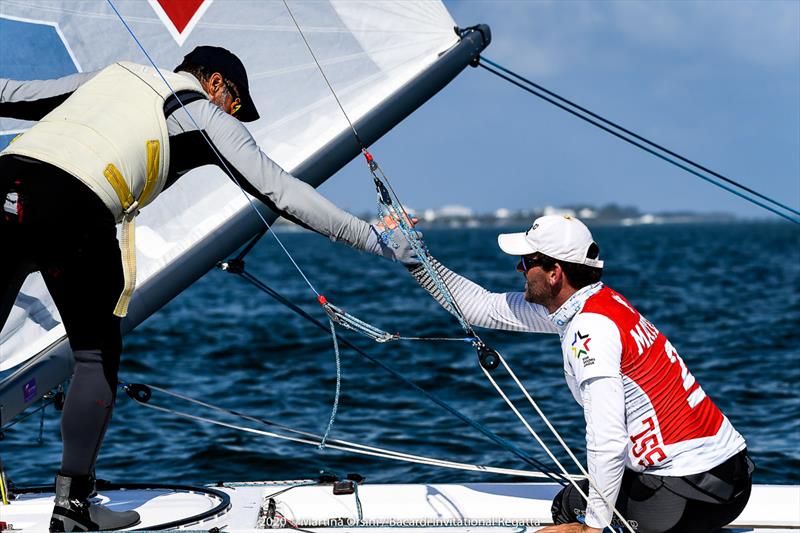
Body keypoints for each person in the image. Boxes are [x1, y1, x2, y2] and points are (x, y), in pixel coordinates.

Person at [0, 46, 415, 532]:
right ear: (215, 83)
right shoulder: (202, 113)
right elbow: (281, 190)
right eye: (236, 104)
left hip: (6, 180)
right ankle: (72, 510)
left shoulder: (113, 76)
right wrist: (375, 239)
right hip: (75, 209)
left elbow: (8, 94)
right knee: (94, 356)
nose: (234, 116)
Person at [409, 214, 752, 533]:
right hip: (729, 476)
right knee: (575, 500)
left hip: (691, 491)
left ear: (554, 273)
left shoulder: (589, 329)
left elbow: (607, 439)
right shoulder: (600, 303)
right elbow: (482, 307)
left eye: (528, 262)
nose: (519, 268)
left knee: (571, 511)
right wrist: (413, 257)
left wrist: (592, 526)